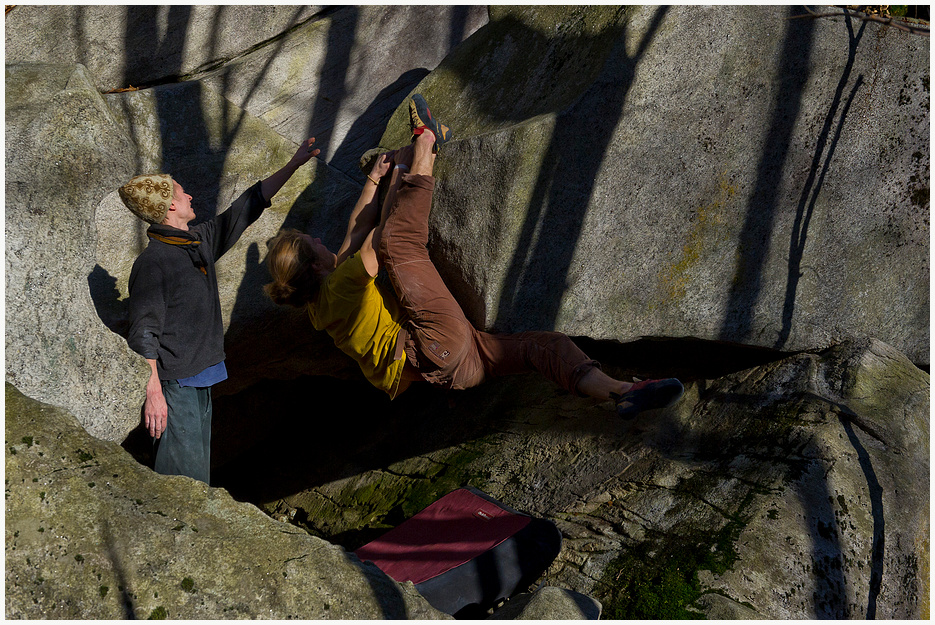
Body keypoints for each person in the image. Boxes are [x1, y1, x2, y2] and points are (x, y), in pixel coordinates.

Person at [265, 95, 683, 417]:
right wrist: (402, 170)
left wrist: (373, 181)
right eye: (312, 240)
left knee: (544, 348)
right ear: (314, 265)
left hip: (459, 369)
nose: (321, 239)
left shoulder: (323, 302)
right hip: (434, 345)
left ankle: (622, 392)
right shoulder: (340, 289)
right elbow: (378, 237)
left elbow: (352, 236)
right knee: (399, 242)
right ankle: (428, 139)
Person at [120, 138, 321, 483]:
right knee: (183, 483)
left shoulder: (197, 241)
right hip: (175, 387)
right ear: (169, 207)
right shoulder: (154, 262)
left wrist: (293, 165)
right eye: (182, 194)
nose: (190, 197)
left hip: (201, 378)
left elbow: (246, 208)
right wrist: (154, 394)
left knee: (197, 477)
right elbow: (143, 333)